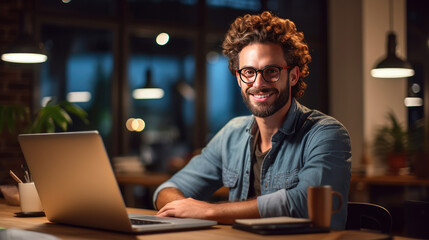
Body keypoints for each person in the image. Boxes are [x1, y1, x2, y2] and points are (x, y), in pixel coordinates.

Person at [153, 11, 351, 229]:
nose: (258, 83)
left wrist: (208, 210)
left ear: (293, 76)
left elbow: (304, 203)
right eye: (249, 72)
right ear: (239, 78)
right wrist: (184, 208)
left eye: (271, 71)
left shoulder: (326, 133)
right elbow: (166, 190)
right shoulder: (231, 134)